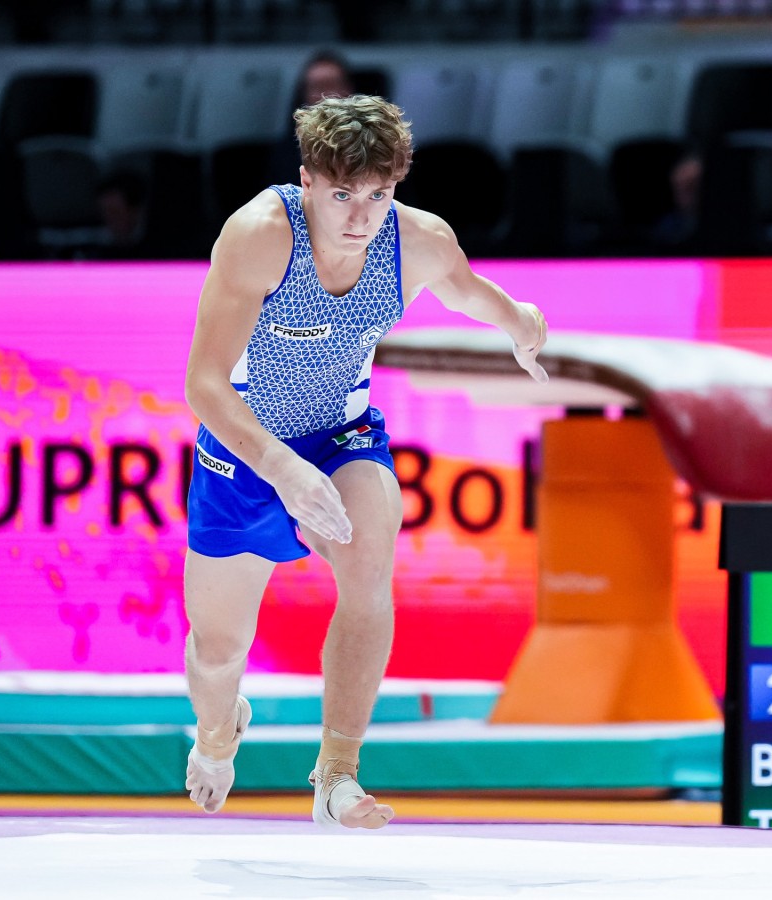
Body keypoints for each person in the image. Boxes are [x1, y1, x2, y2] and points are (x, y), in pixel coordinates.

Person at [182, 94, 547, 829]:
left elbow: (468, 292)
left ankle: (337, 776)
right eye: (342, 195)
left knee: (370, 553)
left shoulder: (419, 240)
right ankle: (218, 734)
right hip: (245, 449)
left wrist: (521, 323)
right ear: (308, 181)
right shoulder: (259, 235)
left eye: (378, 195)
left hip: (343, 436)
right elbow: (204, 385)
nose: (360, 217)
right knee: (218, 653)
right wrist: (283, 470)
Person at [267, 50, 356, 186]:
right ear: (304, 95)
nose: (325, 95)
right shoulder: (286, 154)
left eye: (331, 85)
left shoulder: (375, 145)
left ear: (349, 90)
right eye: (317, 87)